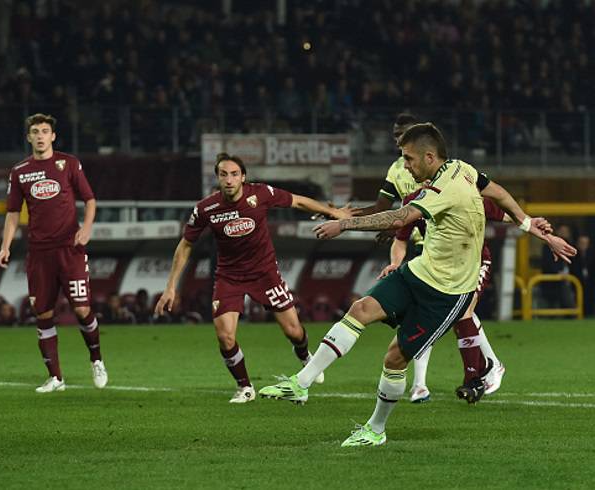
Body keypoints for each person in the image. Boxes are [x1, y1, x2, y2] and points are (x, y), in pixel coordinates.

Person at [259, 123, 576, 445]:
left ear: (429, 157)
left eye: (409, 159)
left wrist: (344, 225)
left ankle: (376, 429)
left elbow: (398, 218)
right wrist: (528, 224)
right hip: (419, 271)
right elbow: (499, 192)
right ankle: (301, 383)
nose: (405, 166)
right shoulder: (462, 169)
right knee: (361, 309)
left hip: (447, 291)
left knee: (394, 358)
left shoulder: (441, 190)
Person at [154, 152, 352, 403]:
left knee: (294, 331)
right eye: (223, 174)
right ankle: (245, 387)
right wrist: (171, 287)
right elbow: (185, 245)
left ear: (243, 177)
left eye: (234, 174)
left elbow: (298, 201)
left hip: (265, 273)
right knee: (225, 336)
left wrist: (332, 212)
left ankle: (304, 355)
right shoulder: (205, 208)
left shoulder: (260, 194)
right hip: (229, 277)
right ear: (217, 178)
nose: (229, 179)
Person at [378, 192, 575, 403]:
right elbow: (400, 239)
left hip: (476, 263)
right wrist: (395, 264)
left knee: (463, 312)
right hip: (442, 269)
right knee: (431, 316)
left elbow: (509, 215)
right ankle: (459, 374)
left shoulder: (464, 192)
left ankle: (473, 378)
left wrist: (541, 232)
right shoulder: (414, 201)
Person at [0, 113, 107, 393]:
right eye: (35, 131)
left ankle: (96, 360)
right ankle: (56, 378)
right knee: (43, 313)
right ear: (29, 137)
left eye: (45, 131)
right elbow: (12, 213)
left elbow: (90, 199)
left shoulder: (68, 163)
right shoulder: (20, 171)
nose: (40, 136)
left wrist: (87, 227)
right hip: (39, 254)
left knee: (82, 309)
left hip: (70, 249)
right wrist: (5, 245)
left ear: (53, 136)